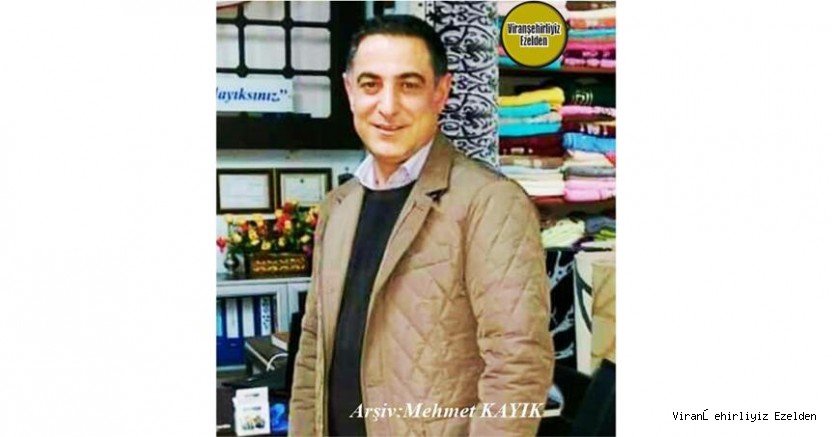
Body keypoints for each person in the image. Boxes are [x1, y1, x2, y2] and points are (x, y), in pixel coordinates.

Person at [289, 14, 553, 436]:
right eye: (371, 84)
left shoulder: (489, 203)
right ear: (349, 91)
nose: (388, 106)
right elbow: (312, 352)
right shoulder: (338, 207)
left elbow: (519, 365)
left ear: (440, 93)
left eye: (409, 85)